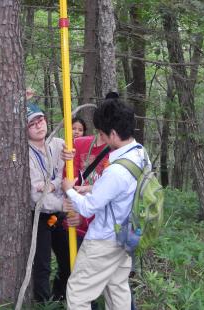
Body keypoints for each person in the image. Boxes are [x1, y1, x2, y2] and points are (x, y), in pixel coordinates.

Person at [62, 97, 150, 309]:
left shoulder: (115, 170)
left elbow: (88, 207)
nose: (99, 137)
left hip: (104, 241)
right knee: (117, 287)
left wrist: (69, 190)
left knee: (78, 293)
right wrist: (92, 188)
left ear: (112, 133)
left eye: (101, 133)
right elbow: (125, 189)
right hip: (127, 235)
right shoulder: (140, 153)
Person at [27, 103, 70, 302]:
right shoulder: (25, 154)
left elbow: (67, 178)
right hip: (40, 216)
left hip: (62, 214)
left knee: (69, 259)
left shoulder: (59, 144)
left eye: (41, 120)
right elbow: (36, 197)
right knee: (42, 264)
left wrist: (50, 184)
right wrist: (59, 195)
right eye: (32, 124)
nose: (38, 126)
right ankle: (44, 304)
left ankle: (61, 296)